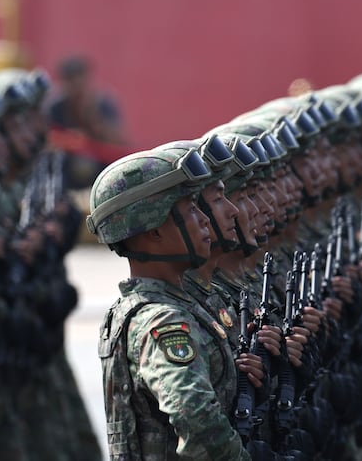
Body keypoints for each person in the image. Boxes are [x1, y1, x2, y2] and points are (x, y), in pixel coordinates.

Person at [89, 147, 255, 460]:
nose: (205, 220)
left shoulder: (163, 306)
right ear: (153, 229)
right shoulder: (161, 321)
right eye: (192, 210)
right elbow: (196, 419)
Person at [47, 56, 128, 189]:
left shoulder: (103, 103)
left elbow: (119, 143)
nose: (77, 87)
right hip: (65, 170)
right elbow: (45, 140)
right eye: (71, 81)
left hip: (100, 167)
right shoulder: (55, 107)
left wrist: (93, 119)